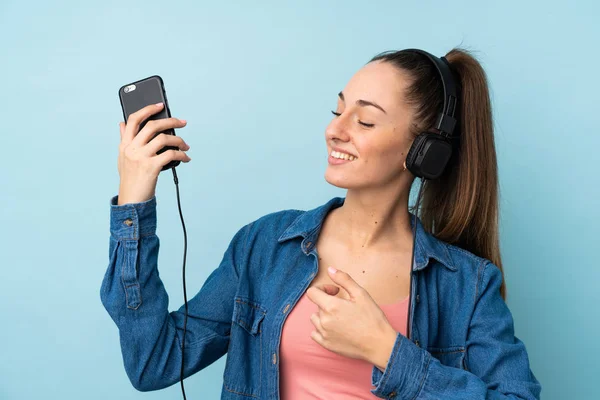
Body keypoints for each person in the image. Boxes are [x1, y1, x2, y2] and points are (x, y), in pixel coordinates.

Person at [100, 47, 542, 399]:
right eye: (338, 111)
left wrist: (387, 351)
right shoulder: (265, 247)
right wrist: (134, 202)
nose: (336, 130)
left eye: (365, 120)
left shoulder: (467, 284)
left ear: (427, 150)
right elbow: (153, 362)